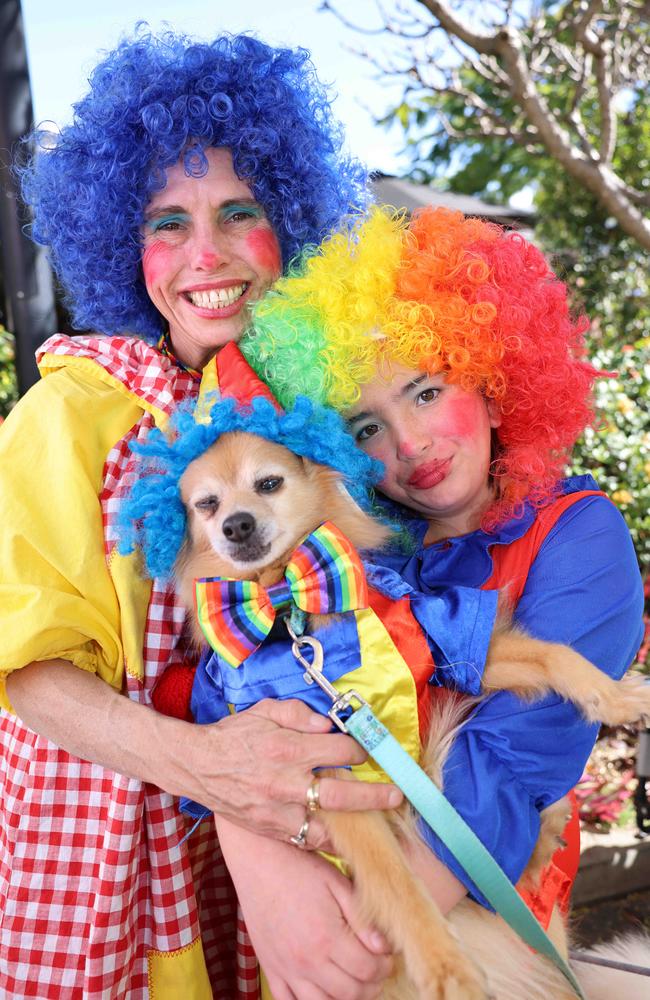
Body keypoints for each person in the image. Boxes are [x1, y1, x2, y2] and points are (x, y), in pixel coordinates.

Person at [0, 30, 405, 1000]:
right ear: (121, 246)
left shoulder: (323, 414)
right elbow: (26, 671)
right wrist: (220, 776)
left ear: (290, 224)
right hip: (124, 871)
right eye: (165, 222)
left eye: (239, 211)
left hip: (326, 856)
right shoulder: (73, 408)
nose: (207, 254)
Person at [232, 205, 645, 993]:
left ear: (491, 381)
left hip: (480, 935)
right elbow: (257, 715)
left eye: (425, 392)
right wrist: (266, 875)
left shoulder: (581, 537)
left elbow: (510, 763)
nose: (408, 444)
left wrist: (367, 946)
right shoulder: (347, 558)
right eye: (365, 427)